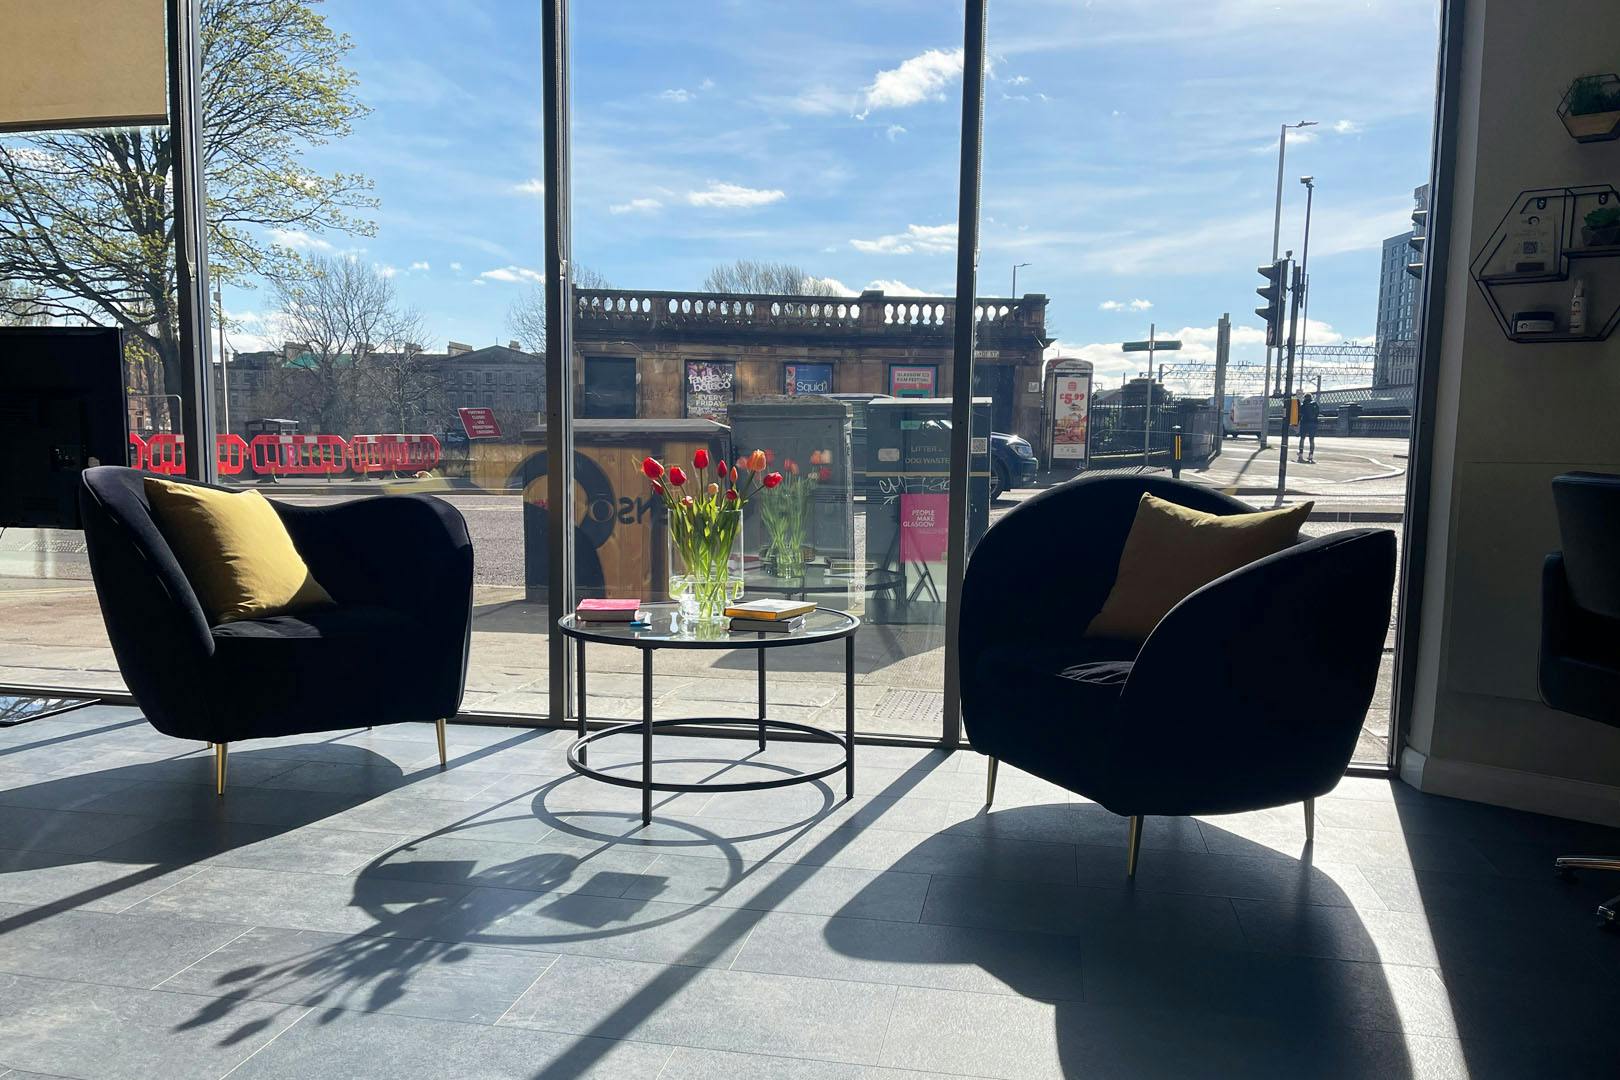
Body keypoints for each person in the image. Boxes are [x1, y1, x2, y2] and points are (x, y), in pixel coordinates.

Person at [1297, 393, 1320, 463]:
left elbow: (1299, 414)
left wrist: (1297, 424)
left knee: (1302, 438)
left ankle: (1301, 454)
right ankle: (1311, 455)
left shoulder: (1303, 405)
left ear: (1305, 398)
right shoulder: (1315, 404)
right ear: (1311, 397)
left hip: (1304, 423)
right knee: (1311, 439)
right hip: (1313, 424)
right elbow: (1317, 413)